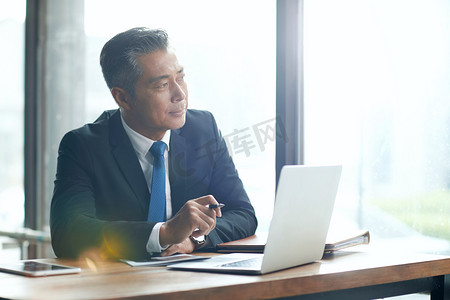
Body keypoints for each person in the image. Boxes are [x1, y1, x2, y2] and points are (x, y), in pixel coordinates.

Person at [50, 27, 257, 260]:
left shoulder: (203, 129)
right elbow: (68, 234)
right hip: (119, 286)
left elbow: (243, 214)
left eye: (180, 77)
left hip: (190, 282)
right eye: (162, 85)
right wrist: (164, 233)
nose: (180, 94)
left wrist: (194, 239)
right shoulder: (83, 146)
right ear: (123, 97)